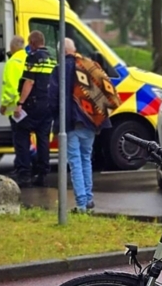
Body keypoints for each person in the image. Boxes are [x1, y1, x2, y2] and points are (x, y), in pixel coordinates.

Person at [49, 38, 116, 212]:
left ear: (61, 52)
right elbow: (105, 90)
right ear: (74, 49)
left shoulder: (59, 70)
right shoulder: (89, 66)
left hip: (71, 122)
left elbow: (53, 99)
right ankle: (88, 200)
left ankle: (81, 204)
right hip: (91, 122)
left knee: (75, 162)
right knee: (86, 159)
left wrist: (55, 117)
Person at [14, 30, 56, 187]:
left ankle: (24, 174)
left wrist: (20, 103)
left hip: (33, 103)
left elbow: (29, 82)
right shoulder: (52, 59)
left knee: (21, 134)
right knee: (43, 138)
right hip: (49, 104)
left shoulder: (33, 58)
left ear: (32, 43)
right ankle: (43, 173)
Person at [0, 35, 30, 180]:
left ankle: (22, 169)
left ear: (12, 48)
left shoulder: (12, 62)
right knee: (28, 138)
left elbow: (10, 88)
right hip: (29, 105)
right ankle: (27, 166)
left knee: (20, 140)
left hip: (15, 107)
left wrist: (4, 105)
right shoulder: (29, 59)